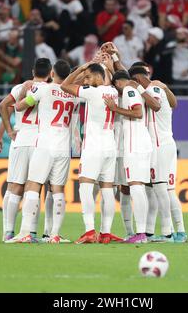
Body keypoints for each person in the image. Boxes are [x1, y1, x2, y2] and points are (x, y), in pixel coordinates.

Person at [14, 60, 77, 244]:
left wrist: (23, 94)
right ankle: (55, 235)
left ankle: (25, 232)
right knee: (57, 190)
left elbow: (20, 107)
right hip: (64, 148)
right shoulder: (73, 94)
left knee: (33, 185)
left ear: (52, 73)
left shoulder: (44, 89)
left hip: (45, 144)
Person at [61, 63, 122, 244]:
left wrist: (80, 69)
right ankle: (106, 232)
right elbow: (109, 78)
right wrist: (108, 65)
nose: (85, 80)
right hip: (110, 147)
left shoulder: (91, 92)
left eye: (88, 77)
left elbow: (65, 86)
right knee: (107, 189)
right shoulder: (113, 92)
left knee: (86, 187)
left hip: (93, 147)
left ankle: (89, 231)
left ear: (97, 77)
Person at [129, 66, 187, 243]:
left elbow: (155, 105)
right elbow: (174, 103)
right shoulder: (159, 88)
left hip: (159, 146)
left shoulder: (153, 90)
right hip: (165, 144)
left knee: (161, 189)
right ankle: (179, 231)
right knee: (165, 190)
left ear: (138, 78)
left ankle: (168, 233)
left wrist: (138, 87)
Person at [0, 58, 51, 243]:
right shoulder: (50, 89)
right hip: (40, 141)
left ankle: (8, 231)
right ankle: (31, 232)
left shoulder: (20, 87)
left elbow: (3, 106)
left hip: (21, 139)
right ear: (50, 72)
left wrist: (8, 130)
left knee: (15, 187)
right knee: (34, 188)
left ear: (32, 71)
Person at [106, 70, 152, 244]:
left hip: (136, 145)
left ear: (118, 83)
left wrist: (115, 108)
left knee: (136, 187)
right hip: (140, 144)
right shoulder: (132, 89)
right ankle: (140, 233)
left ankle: (141, 234)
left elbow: (138, 112)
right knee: (137, 187)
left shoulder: (127, 90)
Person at [171, 27, 188, 95]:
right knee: (178, 100)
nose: (179, 35)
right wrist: (176, 47)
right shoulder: (172, 45)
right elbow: (164, 53)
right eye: (178, 34)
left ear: (187, 35)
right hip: (176, 77)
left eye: (181, 34)